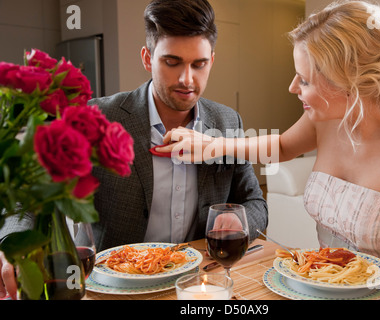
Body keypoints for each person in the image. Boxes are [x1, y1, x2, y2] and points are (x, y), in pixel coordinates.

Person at [161, 0, 380, 287]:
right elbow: (282, 147)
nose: (292, 88)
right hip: (319, 289)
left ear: (351, 80)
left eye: (305, 80)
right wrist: (215, 145)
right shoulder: (326, 119)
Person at [0, 0, 267, 299]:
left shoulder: (228, 121)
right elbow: (31, 194)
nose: (186, 79)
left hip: (197, 285)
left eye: (199, 64)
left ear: (212, 61)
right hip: (109, 287)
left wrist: (238, 220)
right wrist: (11, 242)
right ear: (147, 57)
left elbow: (254, 201)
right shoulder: (97, 116)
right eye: (172, 61)